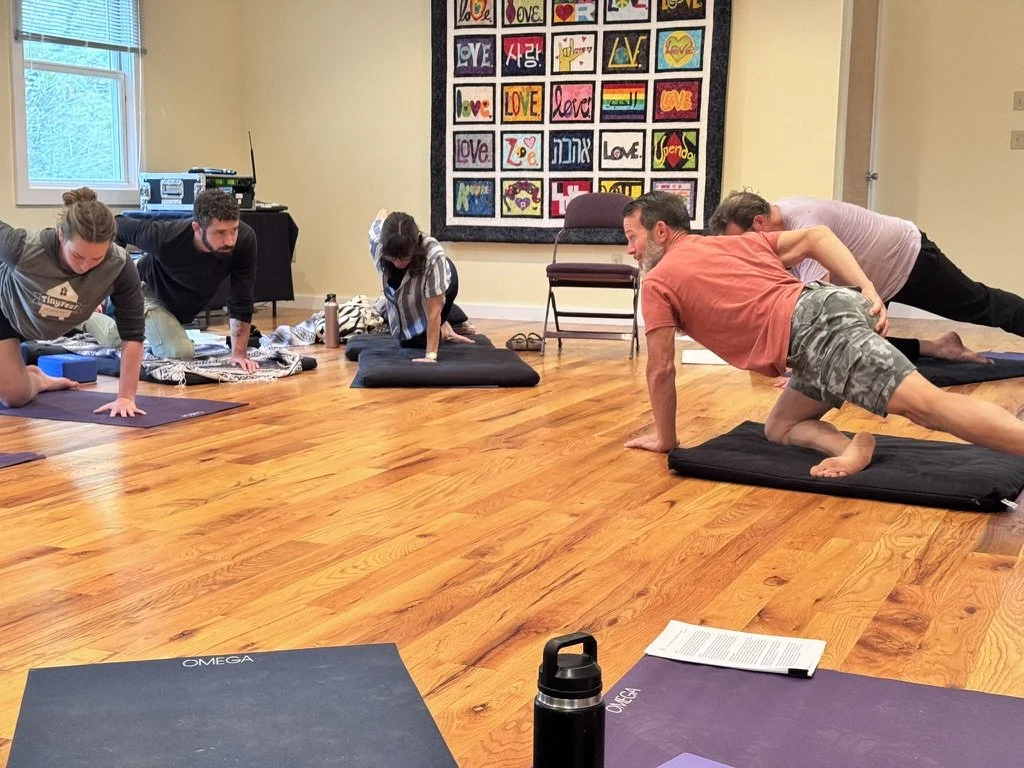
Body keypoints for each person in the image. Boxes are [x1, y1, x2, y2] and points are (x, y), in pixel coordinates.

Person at [622, 191, 1024, 477]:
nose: (630, 250)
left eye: (631, 237)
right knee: (779, 427)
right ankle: (850, 447)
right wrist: (865, 289)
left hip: (817, 330)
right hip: (816, 332)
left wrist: (666, 438)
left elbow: (660, 370)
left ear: (660, 231)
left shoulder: (659, 282)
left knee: (929, 407)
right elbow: (817, 239)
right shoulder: (728, 246)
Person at [708, 191, 1024, 358]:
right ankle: (939, 347)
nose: (744, 250)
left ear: (760, 222)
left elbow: (812, 306)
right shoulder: (777, 224)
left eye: (742, 241)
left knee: (980, 304)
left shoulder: (805, 223)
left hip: (911, 259)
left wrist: (796, 369)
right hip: (874, 276)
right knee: (854, 344)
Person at [0, 188, 146, 417]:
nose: (85, 266)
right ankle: (30, 377)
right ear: (61, 235)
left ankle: (36, 378)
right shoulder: (21, 247)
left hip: (51, 321)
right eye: (78, 255)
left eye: (96, 258)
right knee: (13, 397)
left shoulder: (119, 266)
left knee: (15, 397)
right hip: (6, 311)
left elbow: (133, 334)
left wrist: (126, 397)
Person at [85, 190, 259, 371]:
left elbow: (242, 296)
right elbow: (116, 225)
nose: (230, 240)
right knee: (177, 352)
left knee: (143, 335)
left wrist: (239, 354)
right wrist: (108, 279)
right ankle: (84, 316)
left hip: (175, 305)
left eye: (234, 230)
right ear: (197, 228)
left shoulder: (245, 240)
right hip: (142, 289)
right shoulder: (165, 238)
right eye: (220, 233)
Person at [368, 209, 472, 363]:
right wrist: (387, 217)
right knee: (406, 340)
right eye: (393, 258)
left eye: (404, 258)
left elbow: (434, 312)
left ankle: (446, 329)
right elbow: (381, 214)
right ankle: (448, 324)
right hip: (411, 291)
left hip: (443, 280)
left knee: (420, 342)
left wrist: (430, 355)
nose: (398, 263)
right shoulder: (379, 241)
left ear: (415, 245)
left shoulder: (433, 254)